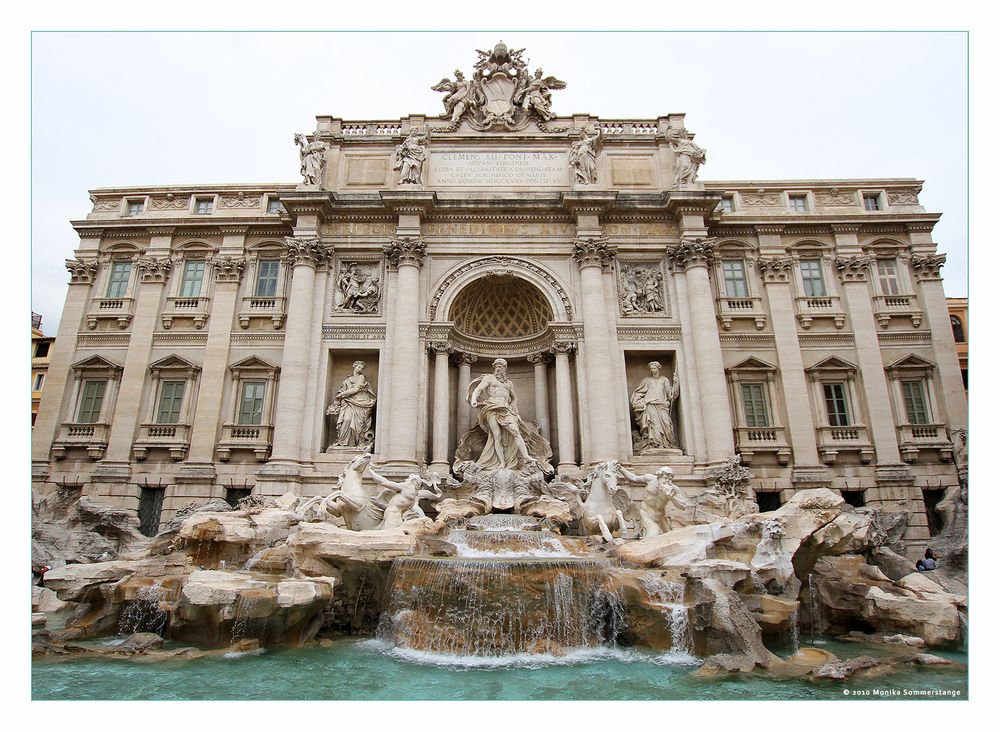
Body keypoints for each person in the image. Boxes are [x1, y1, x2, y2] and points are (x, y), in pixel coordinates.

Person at [468, 358, 534, 470]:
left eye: (502, 366)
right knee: (496, 436)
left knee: (516, 431)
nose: (499, 368)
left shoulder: (508, 384)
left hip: (505, 409)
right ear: (494, 367)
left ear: (505, 368)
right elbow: (478, 389)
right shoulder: (489, 379)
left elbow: (514, 398)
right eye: (497, 366)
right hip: (492, 408)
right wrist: (474, 399)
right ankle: (501, 463)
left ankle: (526, 456)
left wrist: (513, 407)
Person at [630, 362, 681, 449]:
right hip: (650, 405)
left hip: (662, 405)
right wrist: (641, 401)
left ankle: (667, 444)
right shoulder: (646, 380)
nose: (653, 370)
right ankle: (655, 445)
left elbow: (671, 395)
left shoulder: (664, 380)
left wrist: (676, 383)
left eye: (654, 368)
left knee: (667, 424)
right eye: (651, 369)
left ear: (658, 368)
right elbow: (638, 393)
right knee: (654, 425)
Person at [327, 361, 377, 449]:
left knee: (358, 424)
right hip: (348, 402)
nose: (360, 369)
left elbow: (355, 389)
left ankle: (353, 443)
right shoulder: (347, 379)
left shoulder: (361, 377)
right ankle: (342, 441)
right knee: (347, 419)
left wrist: (341, 395)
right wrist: (340, 395)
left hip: (360, 402)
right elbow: (342, 389)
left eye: (361, 368)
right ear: (354, 366)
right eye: (358, 367)